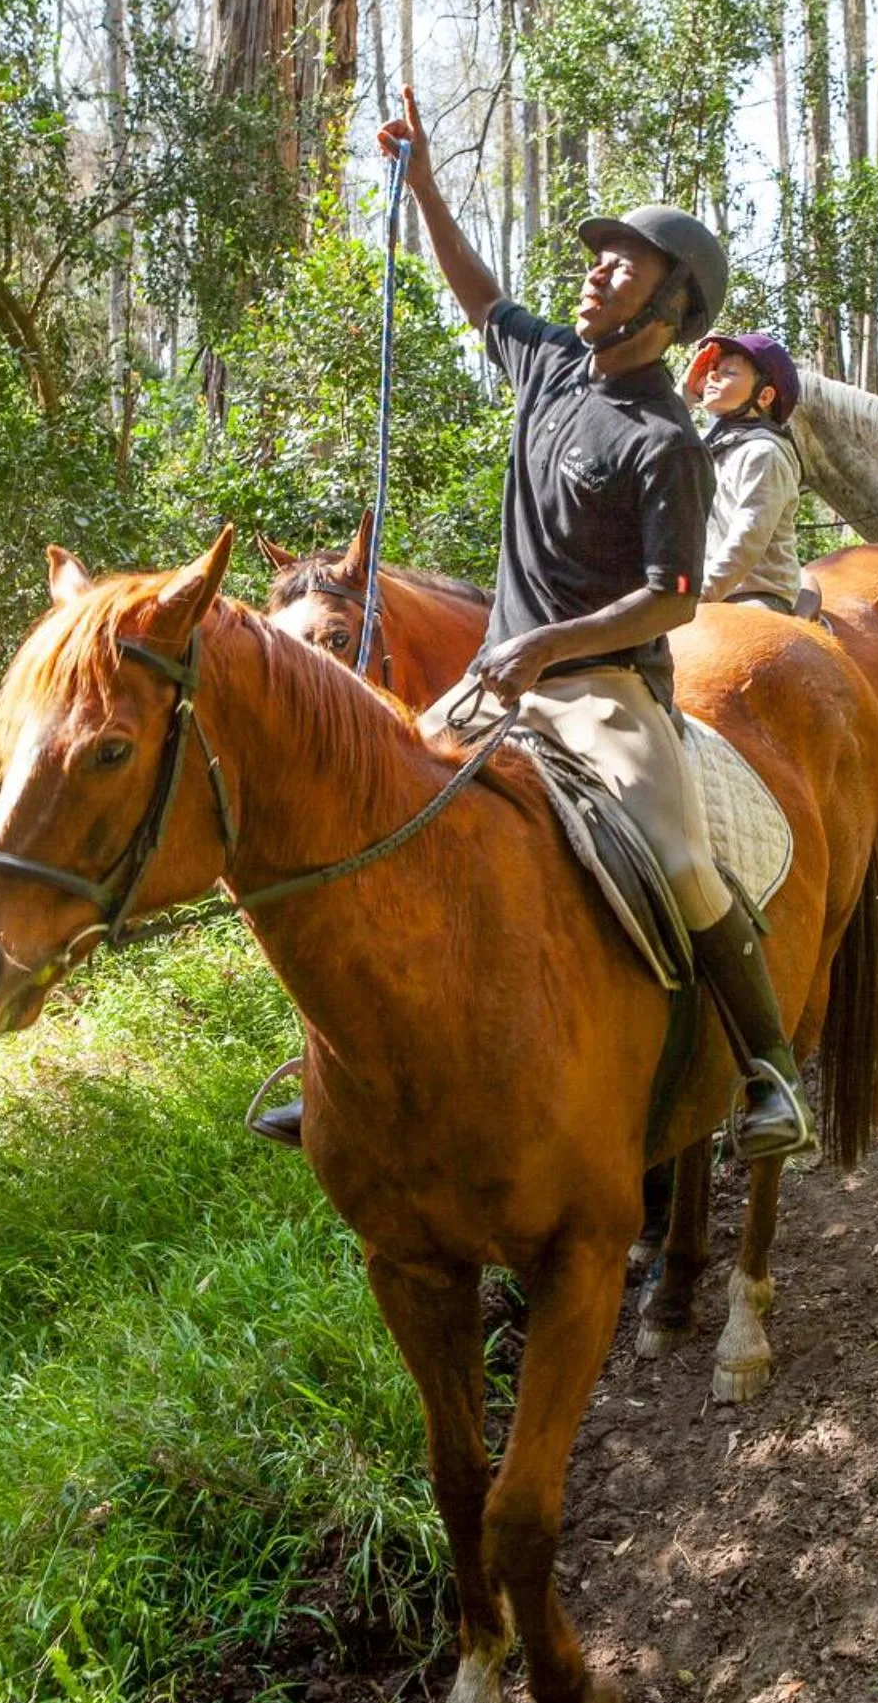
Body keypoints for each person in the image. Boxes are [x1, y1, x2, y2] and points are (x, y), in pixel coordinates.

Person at [250, 88, 814, 1161]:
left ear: (670, 306)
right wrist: (419, 184)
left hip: (604, 692)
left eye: (624, 266)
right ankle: (335, 1071)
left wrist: (547, 644)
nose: (598, 271)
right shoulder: (554, 363)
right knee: (367, 813)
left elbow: (678, 596)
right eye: (599, 261)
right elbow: (479, 295)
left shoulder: (666, 441)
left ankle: (768, 1071)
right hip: (498, 686)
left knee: (684, 863)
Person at [683, 332, 821, 620]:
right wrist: (684, 395)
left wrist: (699, 596)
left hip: (754, 593)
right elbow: (653, 442)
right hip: (704, 590)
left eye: (728, 372)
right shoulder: (710, 444)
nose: (713, 378)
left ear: (765, 395)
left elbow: (746, 541)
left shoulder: (763, 453)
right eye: (712, 372)